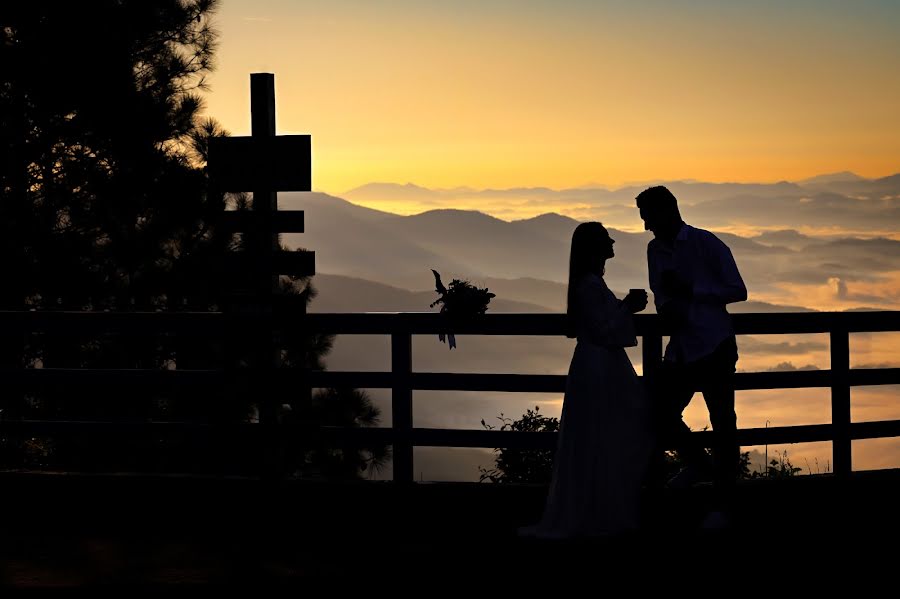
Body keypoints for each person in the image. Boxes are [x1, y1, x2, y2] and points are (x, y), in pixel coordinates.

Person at [522, 222, 651, 538]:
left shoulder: (590, 283)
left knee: (601, 434)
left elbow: (603, 323)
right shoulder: (589, 286)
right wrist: (628, 307)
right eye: (607, 239)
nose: (612, 242)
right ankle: (601, 512)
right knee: (603, 434)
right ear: (595, 248)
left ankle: (600, 509)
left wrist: (623, 308)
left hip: (598, 364)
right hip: (599, 366)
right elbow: (603, 330)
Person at [635, 185, 747, 527]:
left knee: (723, 423)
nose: (645, 226)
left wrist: (693, 292)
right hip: (682, 348)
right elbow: (659, 293)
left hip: (714, 345)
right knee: (660, 413)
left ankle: (725, 505)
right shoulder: (655, 250)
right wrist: (668, 308)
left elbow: (738, 290)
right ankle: (701, 466)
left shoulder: (706, 243)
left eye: (648, 217)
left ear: (668, 212)